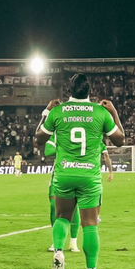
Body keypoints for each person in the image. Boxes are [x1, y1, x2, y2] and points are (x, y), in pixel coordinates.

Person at [34, 73, 125, 269]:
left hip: (64, 174)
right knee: (90, 224)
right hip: (89, 177)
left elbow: (39, 138)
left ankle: (58, 251)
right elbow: (120, 140)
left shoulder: (58, 111)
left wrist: (47, 111)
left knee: (62, 217)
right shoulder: (100, 112)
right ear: (89, 90)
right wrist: (114, 113)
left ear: (69, 90)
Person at [38, 107, 82, 254]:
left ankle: (73, 241)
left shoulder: (83, 130)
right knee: (53, 206)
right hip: (58, 173)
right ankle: (56, 240)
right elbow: (47, 151)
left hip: (77, 171)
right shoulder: (56, 133)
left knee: (75, 208)